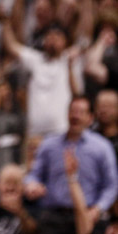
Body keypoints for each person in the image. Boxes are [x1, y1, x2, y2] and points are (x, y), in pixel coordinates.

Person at [24, 96, 118, 234]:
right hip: (53, 216)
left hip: (89, 214)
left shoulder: (102, 147)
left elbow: (111, 185)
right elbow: (34, 175)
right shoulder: (49, 144)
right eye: (73, 111)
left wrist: (98, 208)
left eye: (81, 112)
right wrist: (31, 184)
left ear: (91, 118)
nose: (75, 116)